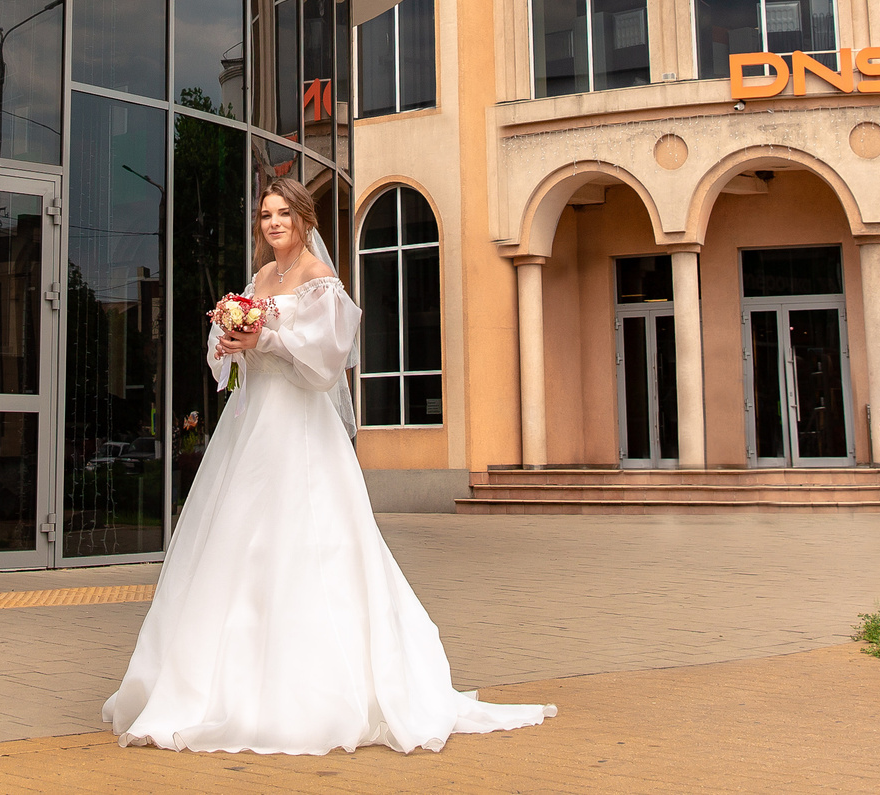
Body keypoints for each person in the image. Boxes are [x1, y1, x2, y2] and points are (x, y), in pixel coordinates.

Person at [103, 176, 553, 754]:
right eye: (265, 215)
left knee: (306, 536)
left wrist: (264, 337)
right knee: (235, 537)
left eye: (282, 214)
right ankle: (207, 684)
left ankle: (312, 691)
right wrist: (229, 339)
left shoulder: (322, 281)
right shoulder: (260, 278)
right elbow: (230, 356)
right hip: (251, 425)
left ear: (304, 219)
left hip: (298, 426)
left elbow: (325, 360)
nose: (272, 224)